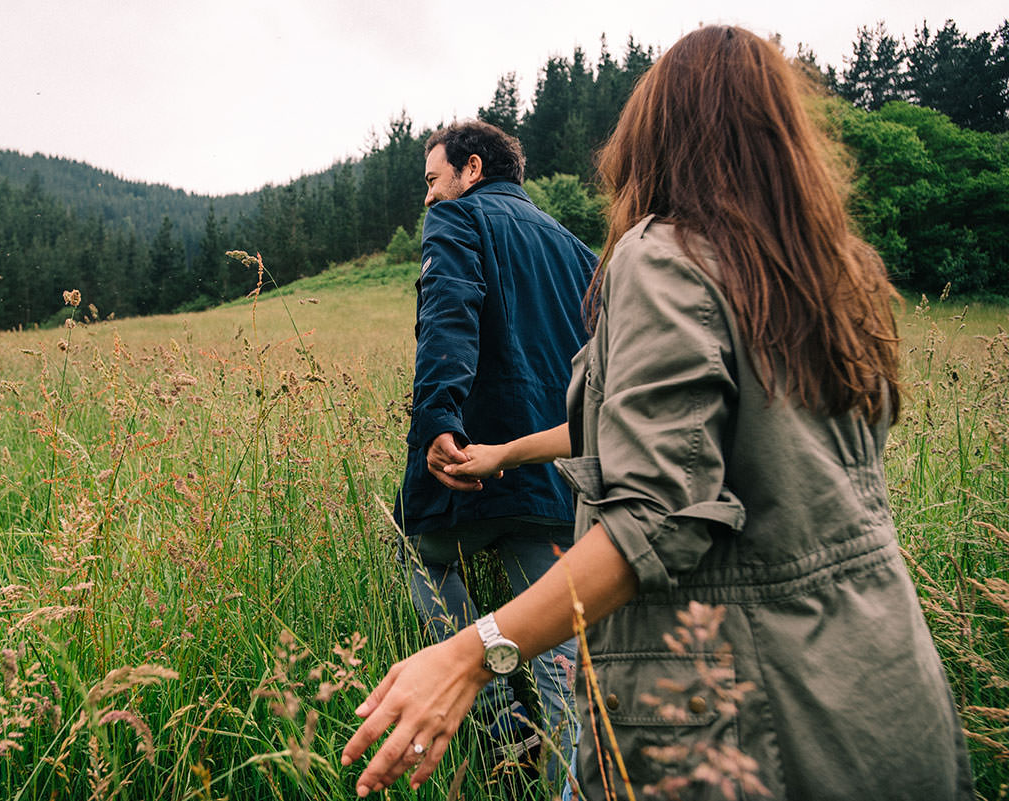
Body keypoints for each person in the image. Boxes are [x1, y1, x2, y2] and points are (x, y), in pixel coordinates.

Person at [344, 25, 974, 800]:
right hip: (889, 688)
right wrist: (510, 453)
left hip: (742, 716)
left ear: (659, 132)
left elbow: (657, 512)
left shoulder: (662, 252)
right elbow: (661, 432)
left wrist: (471, 653)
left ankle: (513, 743)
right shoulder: (835, 275)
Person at [392, 119, 597, 777]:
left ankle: (499, 717)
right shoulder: (580, 250)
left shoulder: (456, 220)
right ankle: (571, 780)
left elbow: (447, 316)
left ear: (471, 169)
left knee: (416, 549)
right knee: (562, 653)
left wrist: (438, 425)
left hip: (470, 465)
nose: (429, 196)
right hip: (560, 474)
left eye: (432, 179)